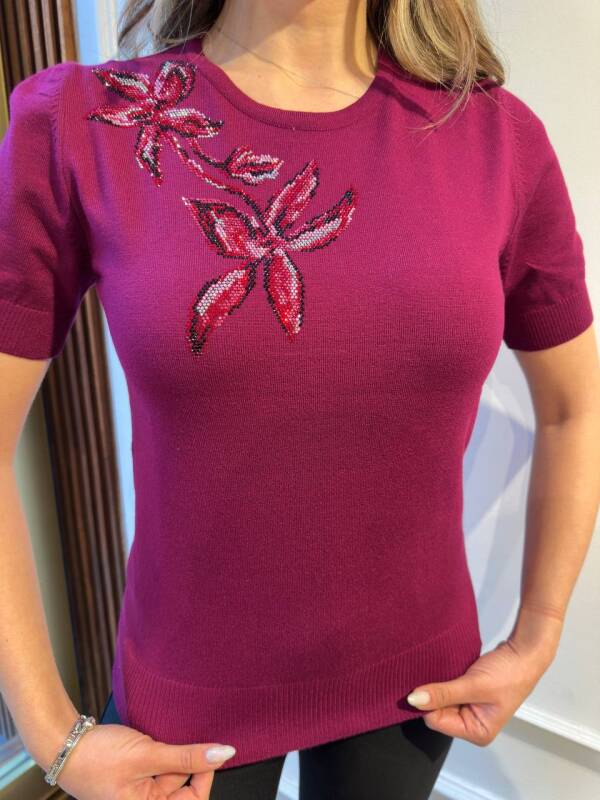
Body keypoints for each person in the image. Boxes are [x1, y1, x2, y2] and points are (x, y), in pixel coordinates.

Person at [1, 1, 599, 798]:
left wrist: (540, 633)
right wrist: (54, 737)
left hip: (418, 680)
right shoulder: (85, 125)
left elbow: (573, 408)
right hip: (187, 701)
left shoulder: (496, 138)